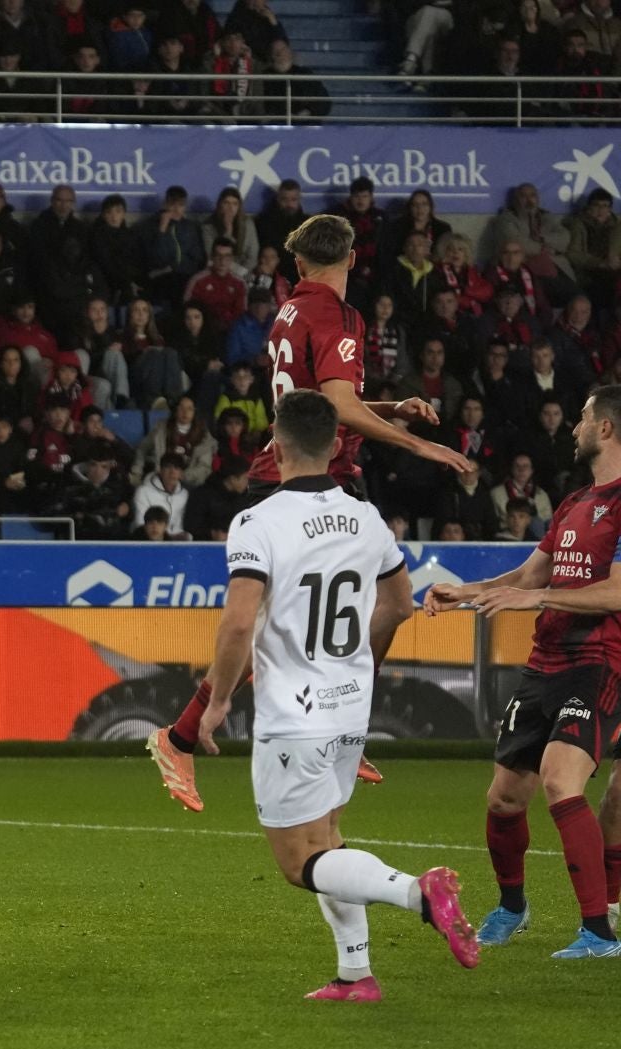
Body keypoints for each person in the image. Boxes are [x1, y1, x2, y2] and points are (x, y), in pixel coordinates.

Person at [148, 212, 473, 813]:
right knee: (272, 626)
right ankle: (181, 736)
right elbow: (339, 408)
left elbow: (324, 402)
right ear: (351, 260)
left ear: (299, 263)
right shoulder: (337, 314)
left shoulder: (291, 309)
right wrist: (419, 443)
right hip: (299, 481)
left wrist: (389, 408)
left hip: (323, 474)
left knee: (394, 602)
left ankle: (340, 724)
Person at [197, 387, 478, 999]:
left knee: (300, 863)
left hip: (292, 713)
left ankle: (418, 893)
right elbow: (399, 604)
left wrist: (217, 702)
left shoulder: (256, 522)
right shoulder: (366, 516)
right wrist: (358, 665)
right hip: (350, 705)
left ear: (276, 441)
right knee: (328, 840)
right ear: (333, 445)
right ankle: (356, 974)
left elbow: (240, 622)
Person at [425, 388, 621, 959]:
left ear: (606, 429)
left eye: (583, 418)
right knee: (504, 800)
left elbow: (615, 590)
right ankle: (513, 908)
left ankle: (598, 933)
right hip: (544, 666)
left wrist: (533, 600)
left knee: (563, 780)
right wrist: (468, 593)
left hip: (597, 664)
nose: (575, 427)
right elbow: (531, 574)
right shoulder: (574, 502)